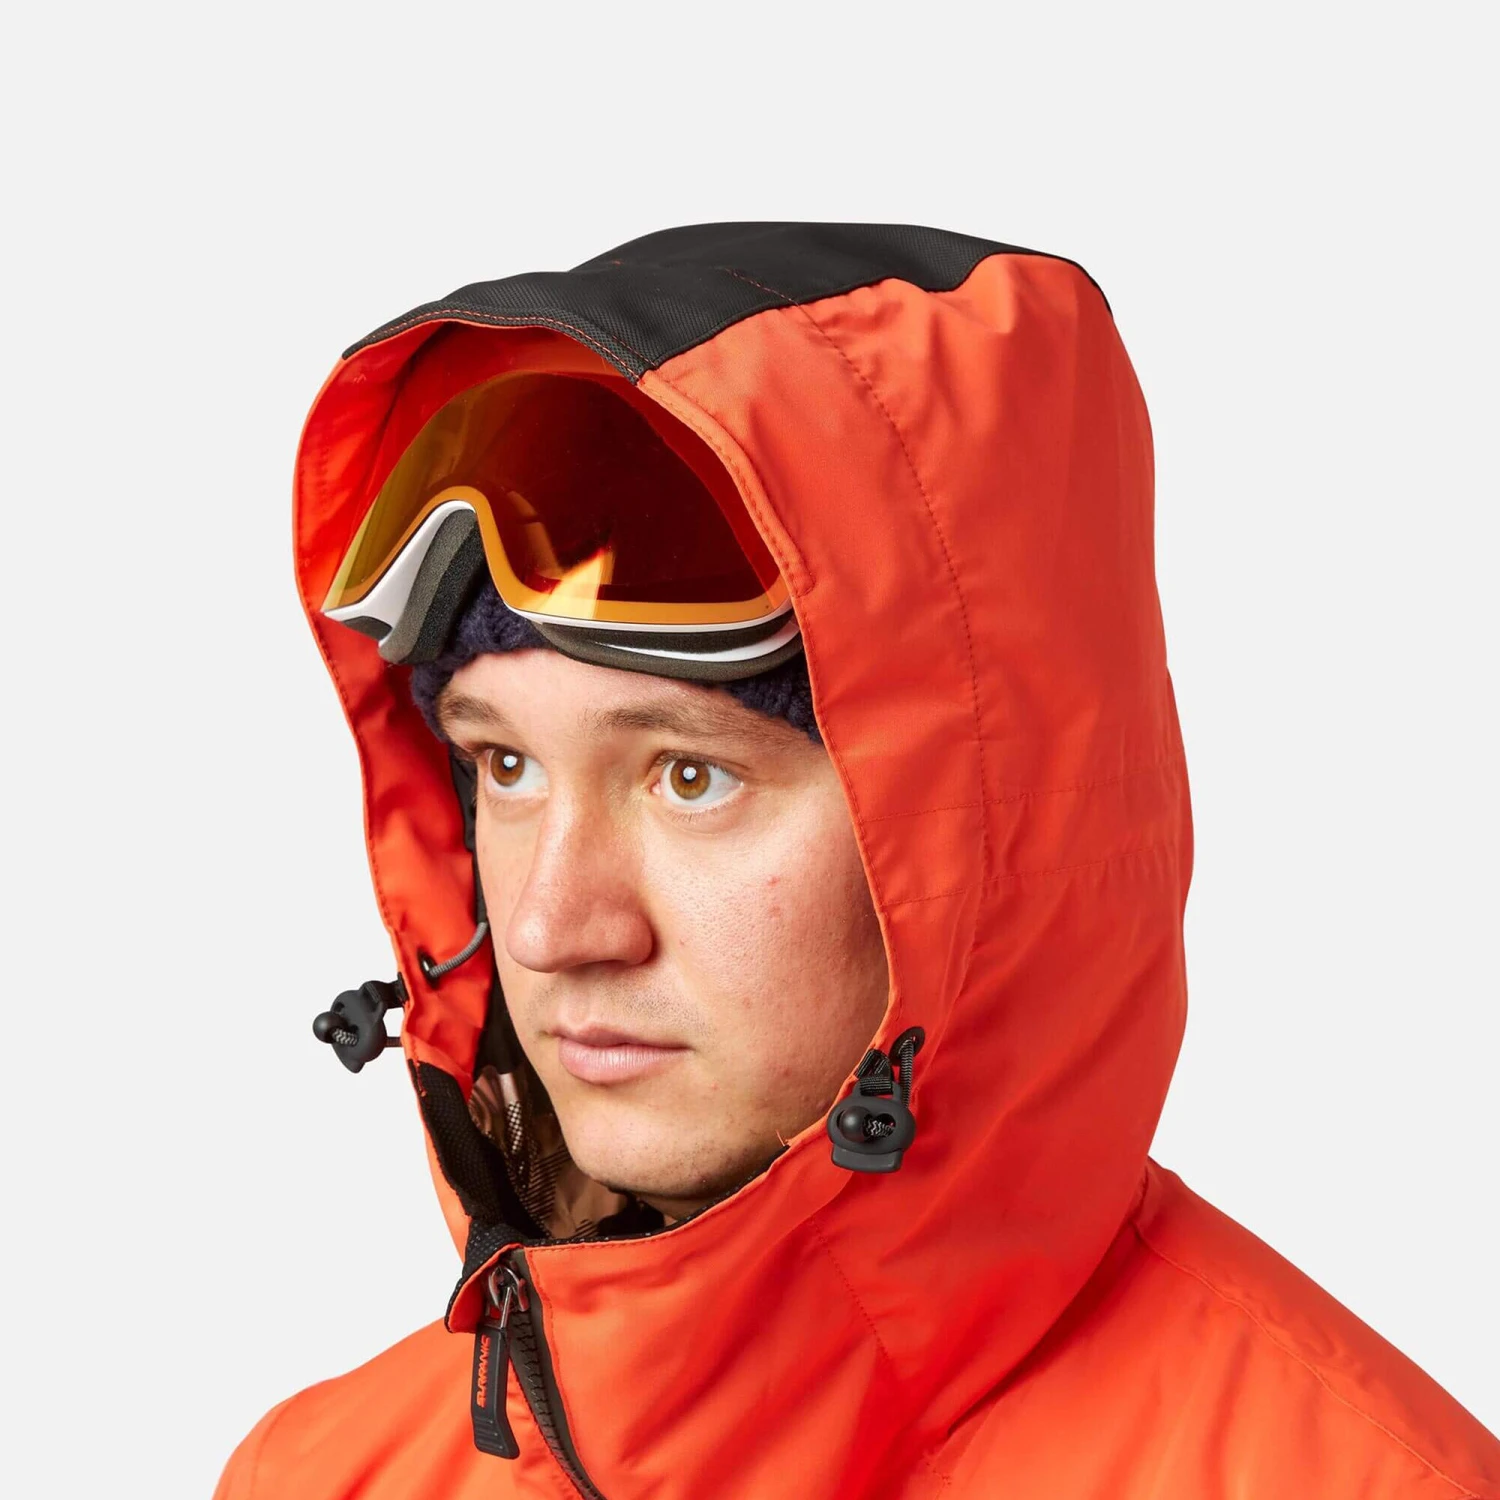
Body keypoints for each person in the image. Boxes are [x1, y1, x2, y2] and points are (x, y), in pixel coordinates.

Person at [215, 222, 1499, 1499]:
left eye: (690, 777)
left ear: (986, 842)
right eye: (505, 766)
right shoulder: (319, 1479)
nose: (553, 926)